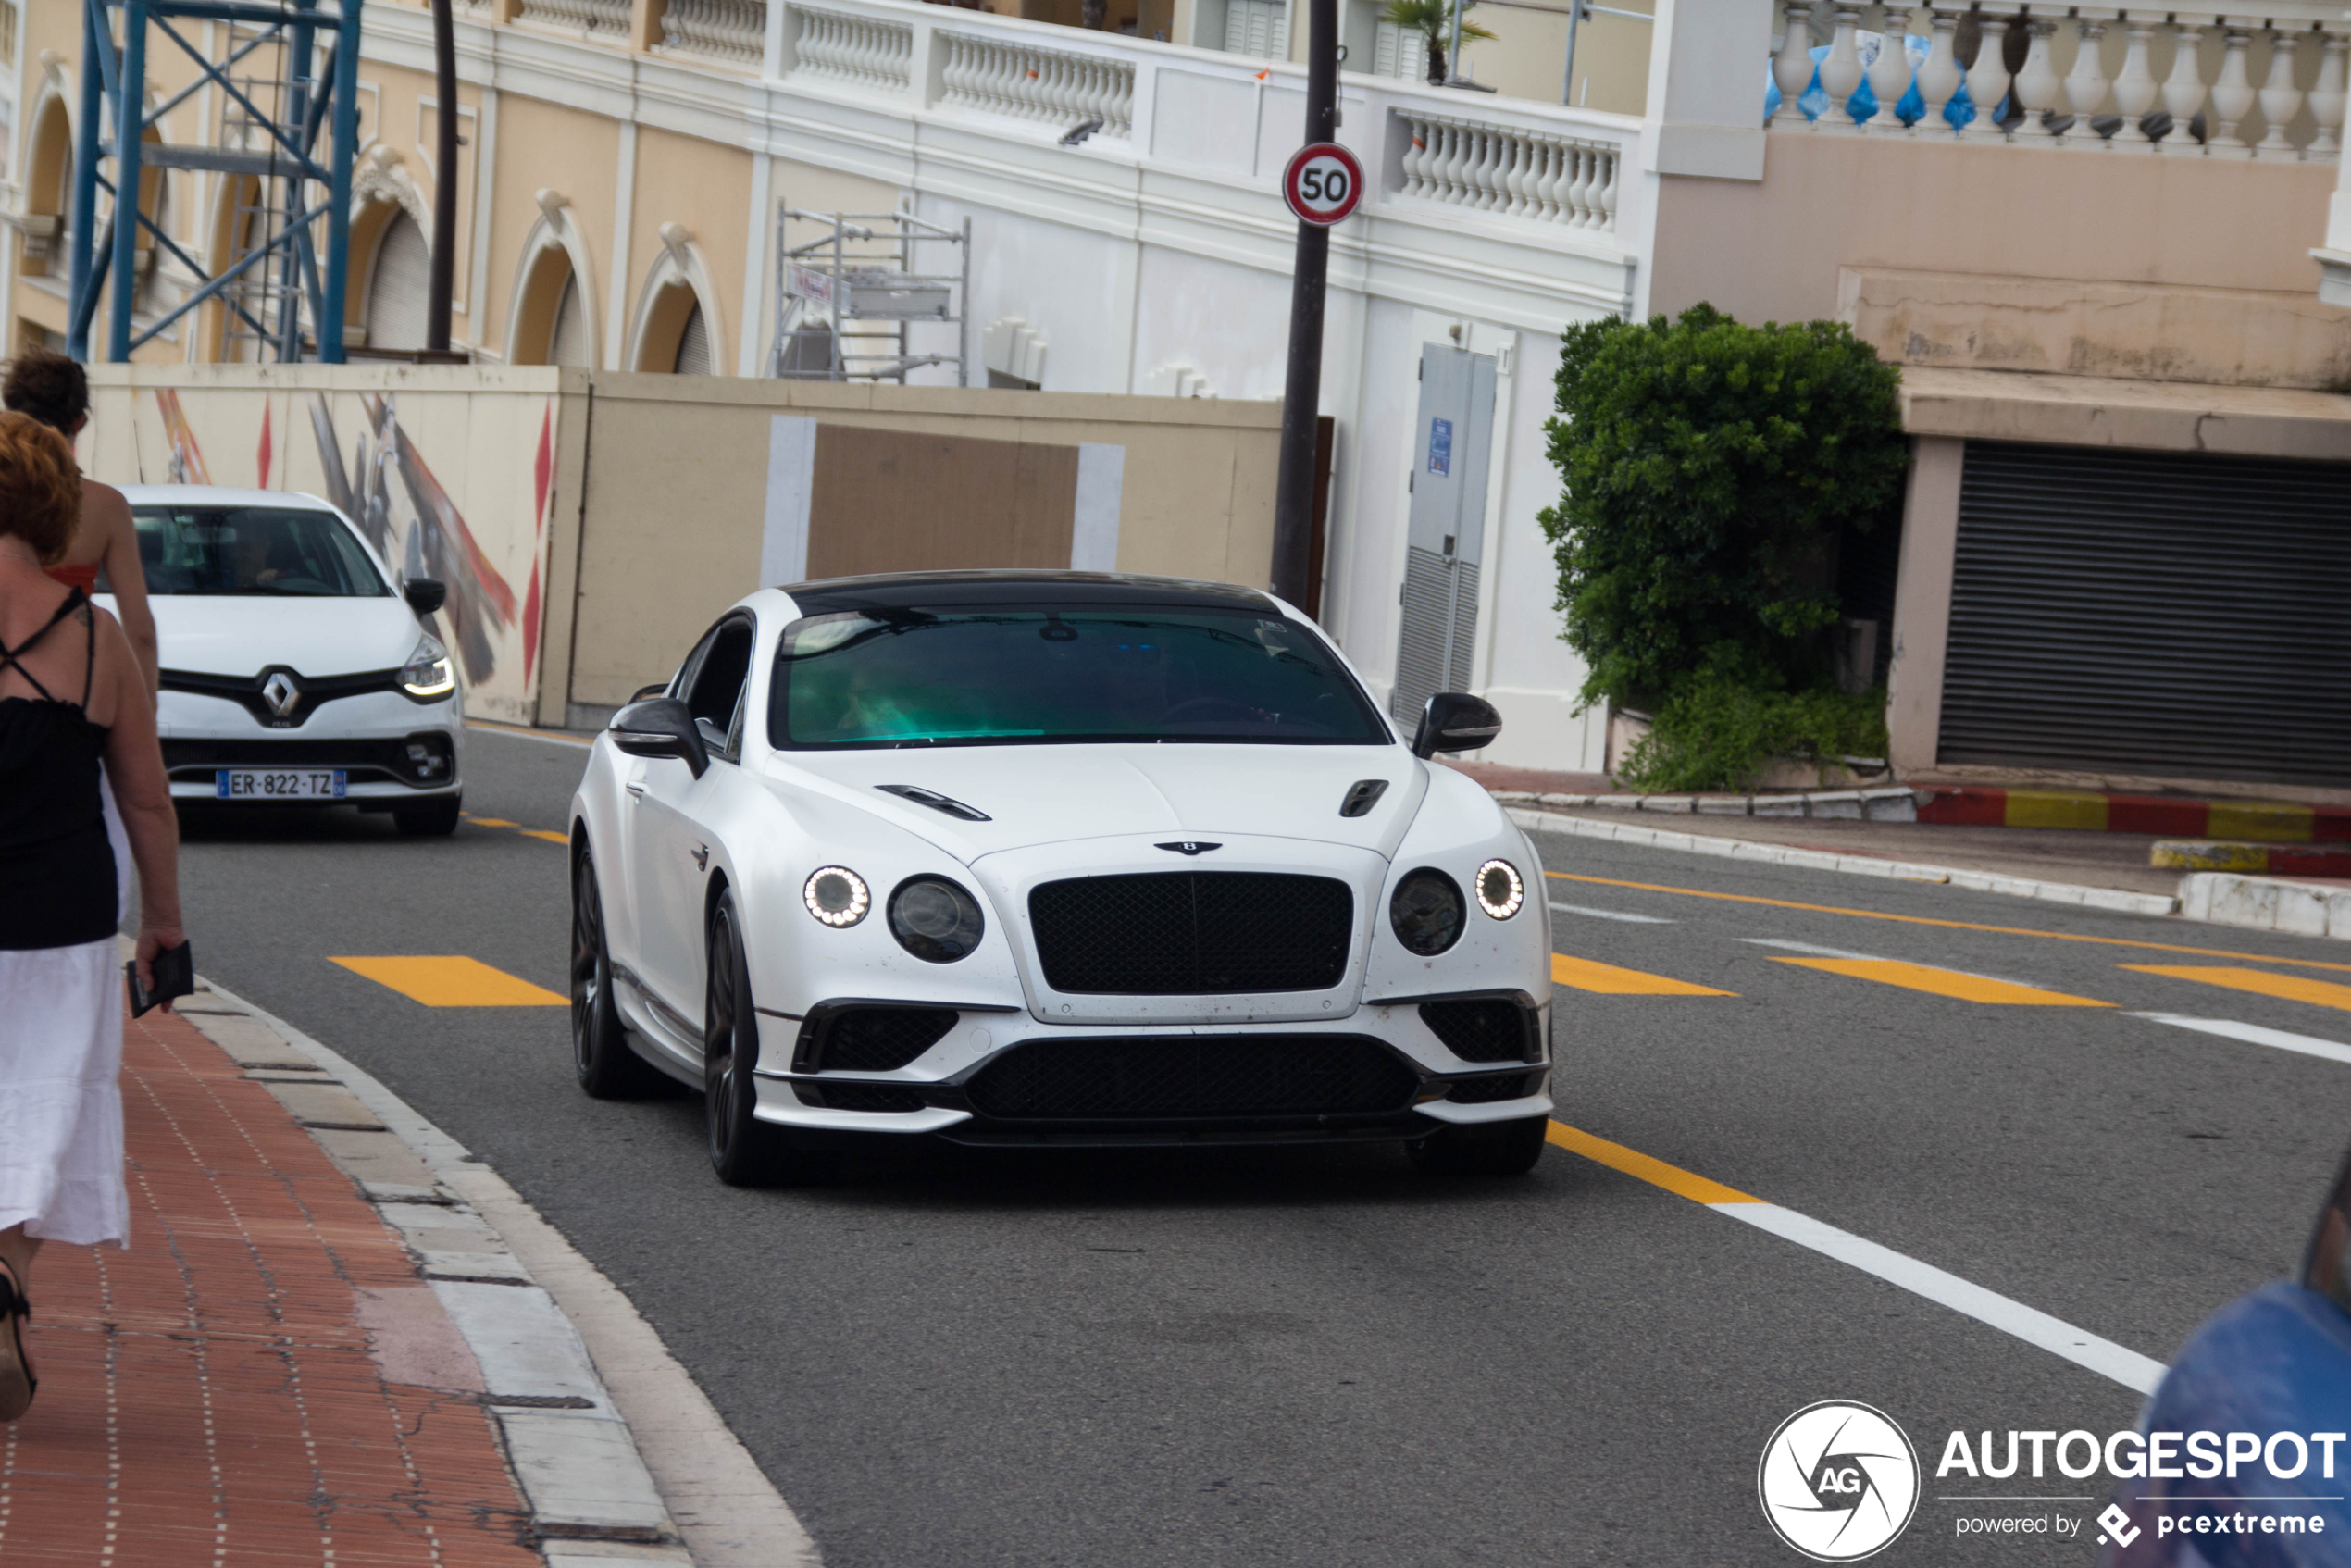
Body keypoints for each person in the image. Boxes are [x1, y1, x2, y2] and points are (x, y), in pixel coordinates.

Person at [0, 410, 183, 1423]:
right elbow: (146, 798)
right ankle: (5, 1274)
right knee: (39, 1100)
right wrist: (163, 921)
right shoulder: (93, 636)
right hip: (60, 918)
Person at [2, 351, 158, 695]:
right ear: (79, 422)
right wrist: (145, 710)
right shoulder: (107, 507)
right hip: (67, 682)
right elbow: (141, 630)